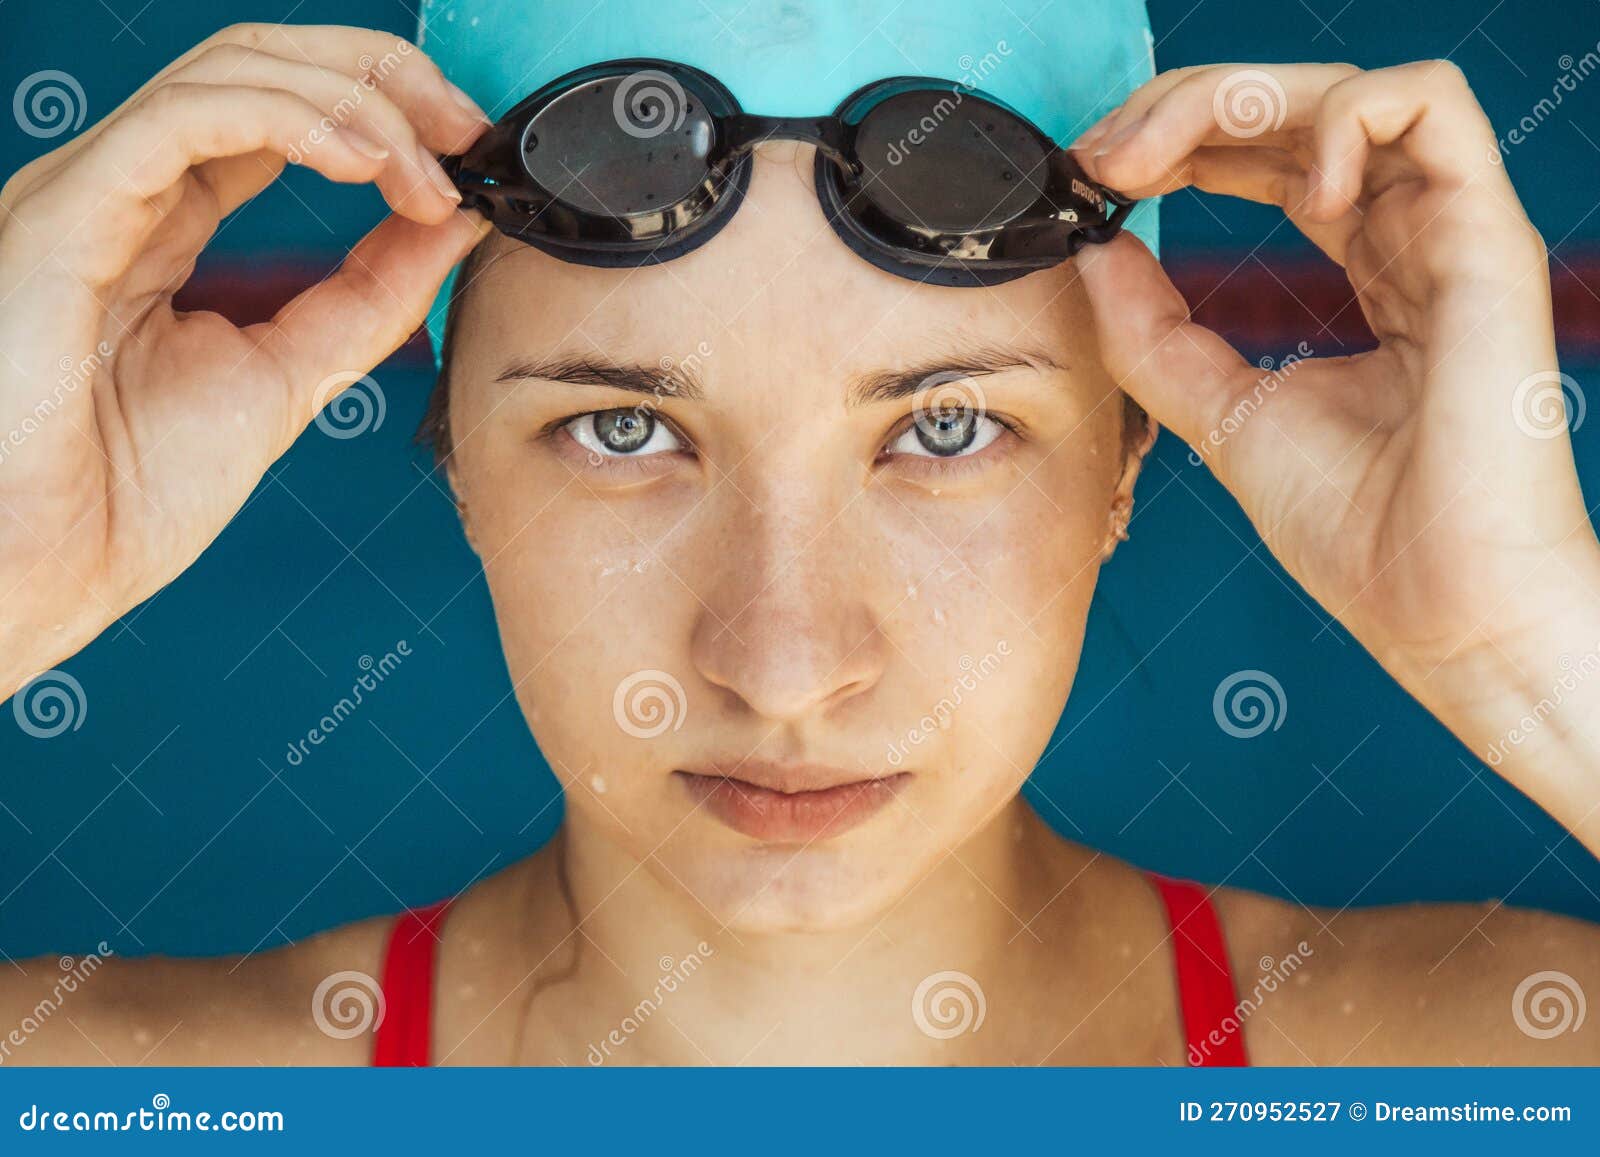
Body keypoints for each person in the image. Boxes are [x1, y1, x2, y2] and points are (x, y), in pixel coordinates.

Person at [0, 8, 1597, 1067]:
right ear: (458, 460)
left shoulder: (1489, 1062)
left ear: (1126, 457)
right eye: (623, 428)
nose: (785, 659)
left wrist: (1533, 652)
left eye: (946, 427)